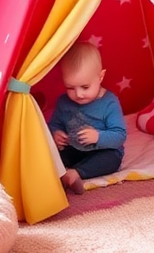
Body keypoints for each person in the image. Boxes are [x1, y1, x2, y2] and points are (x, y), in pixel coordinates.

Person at [48, 42, 127, 195]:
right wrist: (56, 133)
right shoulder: (63, 102)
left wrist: (98, 137)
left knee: (111, 160)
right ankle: (62, 173)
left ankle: (75, 173)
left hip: (102, 150)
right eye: (70, 88)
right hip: (74, 148)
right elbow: (54, 123)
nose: (78, 94)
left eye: (85, 87)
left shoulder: (109, 102)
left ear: (100, 77)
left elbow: (120, 135)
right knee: (53, 154)